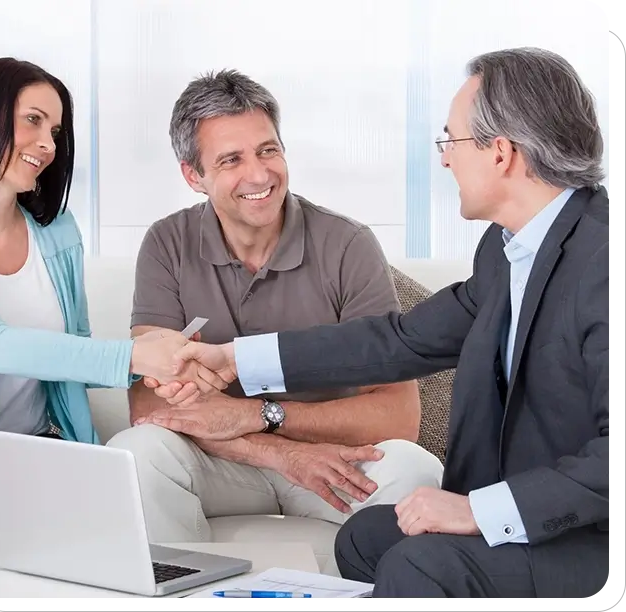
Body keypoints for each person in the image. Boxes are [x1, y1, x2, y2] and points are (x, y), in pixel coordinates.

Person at [161, 47, 608, 599]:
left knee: (420, 566)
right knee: (368, 538)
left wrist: (478, 511)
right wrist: (231, 358)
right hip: (552, 517)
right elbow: (405, 339)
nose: (445, 160)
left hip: (599, 539)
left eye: (451, 140)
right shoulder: (508, 249)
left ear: (501, 153)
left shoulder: (606, 261)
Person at [106, 69, 444, 544]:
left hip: (332, 460)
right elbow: (148, 405)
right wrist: (279, 455)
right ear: (193, 176)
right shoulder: (167, 243)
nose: (260, 174)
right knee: (137, 452)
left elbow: (399, 414)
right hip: (223, 462)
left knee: (416, 471)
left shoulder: (348, 244)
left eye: (268, 150)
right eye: (231, 160)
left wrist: (265, 417)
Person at [0, 58, 226, 548]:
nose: (48, 145)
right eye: (32, 120)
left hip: (42, 447)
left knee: (119, 515)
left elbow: (71, 352)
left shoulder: (56, 232)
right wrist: (134, 357)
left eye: (54, 130)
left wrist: (160, 360)